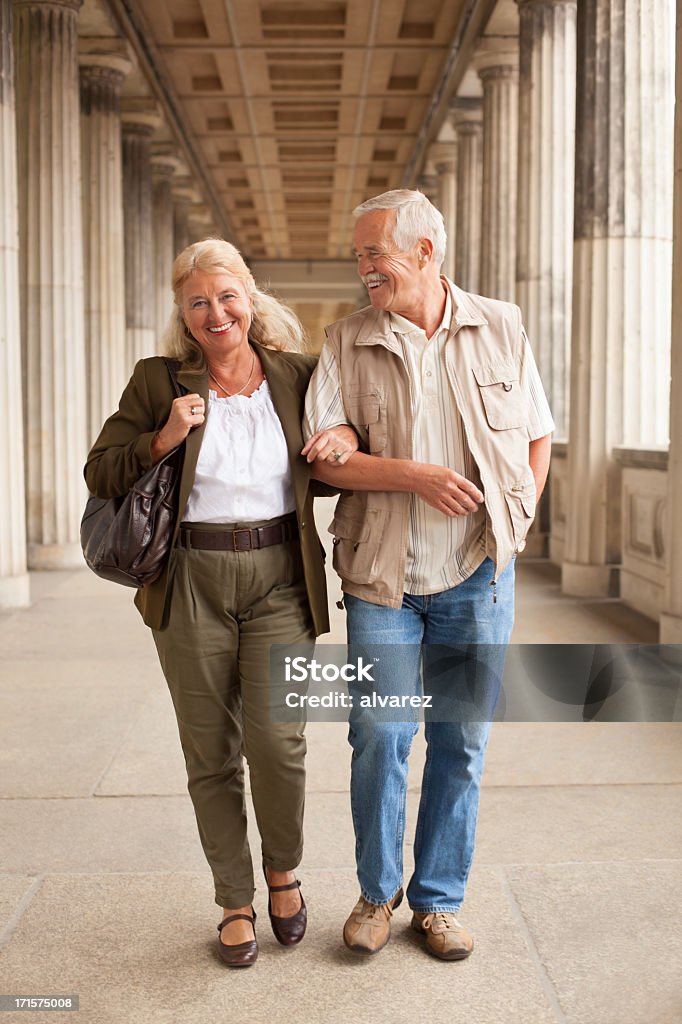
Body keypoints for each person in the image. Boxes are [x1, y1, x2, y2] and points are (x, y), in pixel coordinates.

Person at [85, 238, 356, 967]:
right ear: (183, 312)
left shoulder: (299, 375)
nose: (216, 312)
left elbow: (344, 448)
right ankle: (234, 898)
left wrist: (342, 434)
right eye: (198, 301)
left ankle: (283, 871)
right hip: (189, 578)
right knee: (210, 749)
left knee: (280, 742)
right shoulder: (157, 381)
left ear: (251, 297)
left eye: (227, 295)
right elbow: (101, 469)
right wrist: (165, 435)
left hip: (280, 574)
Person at [303, 189, 554, 960]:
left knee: (461, 741)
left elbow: (538, 437)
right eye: (358, 256)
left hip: (477, 577)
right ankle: (378, 895)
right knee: (381, 735)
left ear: (424, 251)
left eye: (374, 253)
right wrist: (410, 474)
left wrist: (517, 520)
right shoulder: (346, 340)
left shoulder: (501, 325)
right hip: (385, 580)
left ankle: (438, 903)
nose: (364, 268)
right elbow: (326, 456)